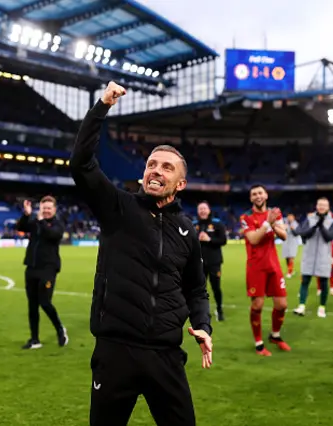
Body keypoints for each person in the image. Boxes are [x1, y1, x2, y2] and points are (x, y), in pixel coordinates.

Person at [70, 82, 213, 425]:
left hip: (165, 355)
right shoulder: (118, 207)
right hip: (115, 351)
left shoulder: (186, 231)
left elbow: (195, 289)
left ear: (180, 184)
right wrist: (102, 106)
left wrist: (203, 325)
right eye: (151, 164)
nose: (156, 171)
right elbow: (81, 164)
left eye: (166, 167)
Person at [239, 184, 291, 356]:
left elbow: (284, 235)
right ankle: (259, 343)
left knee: (282, 304)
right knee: (257, 306)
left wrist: (273, 223)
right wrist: (267, 223)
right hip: (256, 267)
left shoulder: (276, 213)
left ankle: (275, 335)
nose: (257, 196)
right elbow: (253, 239)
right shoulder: (245, 217)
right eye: (254, 194)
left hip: (273, 265)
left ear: (266, 195)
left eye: (260, 193)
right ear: (250, 198)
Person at [16, 196, 68, 350]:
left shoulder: (57, 224)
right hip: (31, 267)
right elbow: (20, 227)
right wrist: (26, 215)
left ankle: (60, 329)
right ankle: (35, 339)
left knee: (44, 302)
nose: (46, 211)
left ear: (54, 210)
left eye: (48, 208)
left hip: (48, 269)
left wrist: (40, 221)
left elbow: (52, 235)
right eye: (43, 208)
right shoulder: (35, 222)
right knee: (32, 305)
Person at [292, 198, 333, 318]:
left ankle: (322, 307)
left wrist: (322, 226)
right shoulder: (309, 219)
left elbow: (329, 237)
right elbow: (302, 233)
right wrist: (314, 227)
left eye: (324, 205)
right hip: (309, 255)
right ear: (316, 206)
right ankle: (301, 306)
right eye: (320, 204)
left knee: (324, 283)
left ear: (328, 207)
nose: (322, 207)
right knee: (305, 281)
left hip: (323, 257)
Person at [193, 201, 228, 321]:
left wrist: (209, 239)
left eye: (204, 208)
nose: (202, 211)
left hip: (214, 262)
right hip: (198, 263)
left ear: (209, 210)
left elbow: (223, 241)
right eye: (200, 209)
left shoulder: (217, 224)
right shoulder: (193, 225)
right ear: (197, 211)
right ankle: (203, 311)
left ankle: (219, 310)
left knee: (216, 287)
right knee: (200, 289)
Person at [281, 213, 299, 278]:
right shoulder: (285, 223)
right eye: (289, 217)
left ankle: (289, 272)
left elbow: (296, 233)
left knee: (291, 257)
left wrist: (292, 229)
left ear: (293, 217)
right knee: (287, 257)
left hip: (293, 243)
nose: (290, 218)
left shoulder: (295, 224)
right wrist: (284, 228)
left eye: (291, 217)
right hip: (286, 242)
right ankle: (290, 270)